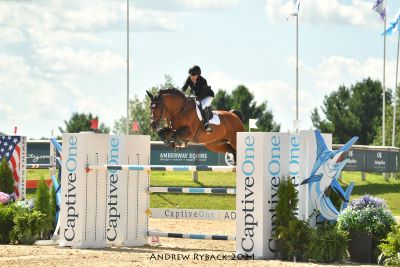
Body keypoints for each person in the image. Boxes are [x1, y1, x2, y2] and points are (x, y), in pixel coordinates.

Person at [182, 65, 214, 132]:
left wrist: (193, 98)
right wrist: (180, 95)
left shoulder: (203, 81)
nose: (192, 77)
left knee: (202, 105)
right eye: (191, 75)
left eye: (194, 75)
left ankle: (207, 124)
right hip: (197, 96)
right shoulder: (189, 79)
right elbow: (183, 88)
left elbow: (202, 95)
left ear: (198, 75)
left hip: (207, 96)